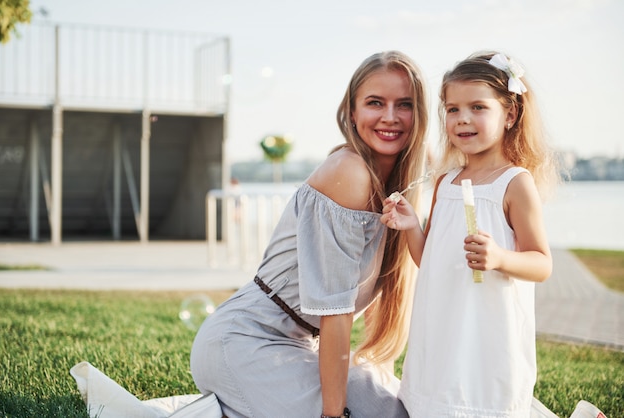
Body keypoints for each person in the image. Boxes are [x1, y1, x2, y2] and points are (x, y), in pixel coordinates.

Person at [190, 50, 429, 418]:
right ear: (351, 111)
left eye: (405, 104)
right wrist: (333, 415)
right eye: (375, 103)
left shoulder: (399, 187)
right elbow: (335, 311)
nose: (390, 117)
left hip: (302, 347)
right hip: (246, 341)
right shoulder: (350, 172)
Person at [381, 51, 560, 417]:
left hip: (486, 334)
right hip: (442, 329)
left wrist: (500, 258)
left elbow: (542, 263)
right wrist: (412, 225)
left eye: (478, 107)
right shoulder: (445, 181)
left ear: (509, 114)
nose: (463, 119)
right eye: (452, 109)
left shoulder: (514, 184)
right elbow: (429, 260)